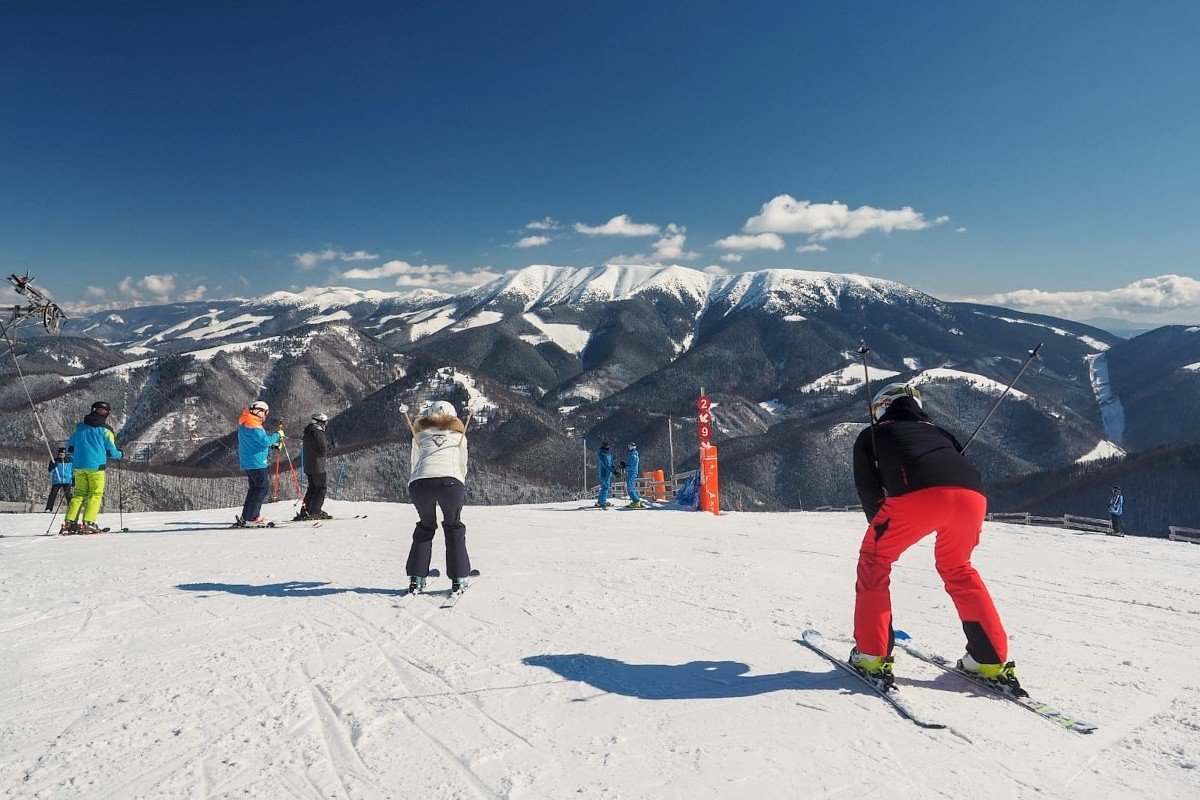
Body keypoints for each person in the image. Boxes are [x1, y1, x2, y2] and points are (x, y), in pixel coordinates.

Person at [850, 383, 1024, 696]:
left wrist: (883, 528)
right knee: (958, 568)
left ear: (882, 409)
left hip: (917, 497)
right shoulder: (941, 433)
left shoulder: (872, 435)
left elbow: (869, 489)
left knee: (875, 562)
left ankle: (872, 656)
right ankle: (989, 660)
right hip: (973, 498)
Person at [406, 400, 472, 594]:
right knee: (453, 526)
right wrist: (457, 483)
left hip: (420, 484)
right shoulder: (460, 437)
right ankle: (459, 578)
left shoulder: (419, 435)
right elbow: (463, 465)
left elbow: (414, 463)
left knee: (425, 526)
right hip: (450, 484)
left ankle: (417, 578)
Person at [62, 402, 122, 534]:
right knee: (95, 494)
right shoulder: (106, 431)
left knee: (79, 494)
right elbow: (112, 452)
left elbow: (69, 448)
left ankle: (70, 522)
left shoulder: (80, 428)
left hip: (78, 466)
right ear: (107, 413)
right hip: (96, 467)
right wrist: (120, 454)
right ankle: (89, 522)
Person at [236, 400, 282, 527]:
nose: (265, 416)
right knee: (262, 488)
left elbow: (256, 443)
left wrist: (271, 444)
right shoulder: (253, 424)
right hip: (257, 463)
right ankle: (252, 517)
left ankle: (247, 516)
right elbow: (264, 441)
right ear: (259, 411)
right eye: (265, 413)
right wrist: (277, 436)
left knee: (254, 489)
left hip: (249, 462)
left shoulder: (246, 422)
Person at [297, 412, 333, 520]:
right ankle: (315, 511)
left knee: (312, 488)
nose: (326, 425)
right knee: (321, 488)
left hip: (309, 464)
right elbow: (323, 450)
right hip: (318, 465)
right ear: (320, 422)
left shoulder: (308, 432)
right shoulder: (318, 433)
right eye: (325, 422)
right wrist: (331, 447)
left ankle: (305, 511)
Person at [45, 447, 74, 512]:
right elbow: (50, 471)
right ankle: (49, 508)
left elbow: (73, 470)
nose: (61, 455)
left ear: (65, 454)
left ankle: (71, 509)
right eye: (60, 454)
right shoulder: (55, 461)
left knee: (68, 495)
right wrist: (52, 465)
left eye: (63, 454)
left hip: (67, 480)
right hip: (57, 479)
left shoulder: (70, 461)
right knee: (53, 494)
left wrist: (73, 479)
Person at [622, 442, 645, 508]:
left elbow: (632, 466)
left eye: (630, 446)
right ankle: (637, 501)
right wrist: (625, 465)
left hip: (632, 472)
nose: (628, 447)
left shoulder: (633, 456)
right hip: (631, 472)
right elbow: (630, 464)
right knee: (630, 487)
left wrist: (625, 467)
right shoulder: (632, 454)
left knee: (630, 487)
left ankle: (636, 501)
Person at [595, 441, 614, 508]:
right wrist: (613, 471)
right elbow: (605, 465)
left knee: (605, 487)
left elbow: (611, 461)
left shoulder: (608, 454)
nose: (609, 448)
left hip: (608, 473)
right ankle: (602, 502)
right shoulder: (601, 455)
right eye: (607, 447)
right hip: (604, 473)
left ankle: (601, 501)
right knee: (605, 487)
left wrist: (613, 466)